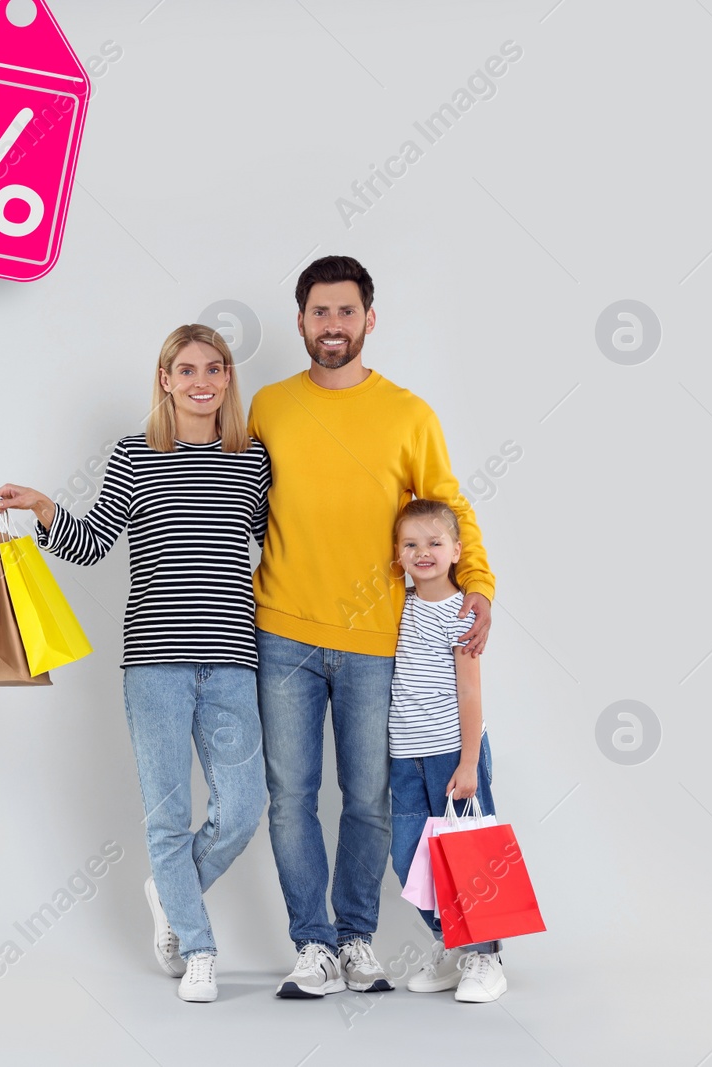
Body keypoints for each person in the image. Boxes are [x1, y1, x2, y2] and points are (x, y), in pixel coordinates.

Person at [0, 324, 270, 1004]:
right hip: (155, 663)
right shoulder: (134, 455)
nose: (202, 379)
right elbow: (90, 544)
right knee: (168, 815)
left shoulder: (253, 460)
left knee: (242, 807)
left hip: (234, 657)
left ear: (228, 379)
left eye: (215, 366)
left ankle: (170, 894)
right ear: (166, 379)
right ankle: (198, 947)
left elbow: (282, 550)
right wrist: (45, 507)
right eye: (187, 368)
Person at [251, 255, 496, 998]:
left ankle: (356, 937)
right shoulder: (267, 405)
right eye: (319, 312)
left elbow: (449, 507)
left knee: (367, 798)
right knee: (290, 795)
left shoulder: (408, 413)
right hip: (283, 633)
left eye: (346, 312)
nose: (332, 326)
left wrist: (478, 583)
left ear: (369, 319)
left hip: (373, 641)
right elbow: (227, 490)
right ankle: (312, 944)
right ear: (300, 320)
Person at [388, 498, 507, 1003]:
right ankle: (452, 943)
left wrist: (467, 763)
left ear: (457, 550)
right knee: (408, 857)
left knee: (470, 859)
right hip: (404, 756)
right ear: (397, 553)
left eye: (435, 543)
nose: (423, 552)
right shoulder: (398, 607)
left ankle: (486, 955)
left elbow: (471, 692)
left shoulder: (462, 614)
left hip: (451, 754)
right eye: (411, 544)